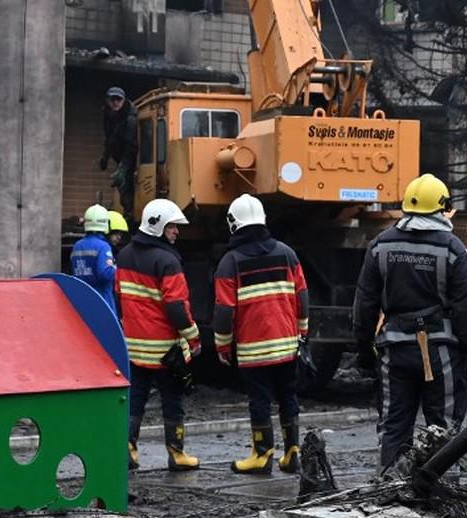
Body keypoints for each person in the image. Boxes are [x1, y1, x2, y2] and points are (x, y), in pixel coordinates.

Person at [351, 173, 467, 468]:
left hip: (394, 352)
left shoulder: (379, 246)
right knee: (443, 428)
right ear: (442, 207)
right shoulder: (452, 248)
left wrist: (363, 350)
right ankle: (439, 487)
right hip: (442, 353)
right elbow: (466, 307)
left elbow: (364, 304)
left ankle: (390, 484)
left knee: (394, 425)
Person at [212, 194, 310, 474]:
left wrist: (222, 345)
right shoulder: (287, 253)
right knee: (288, 395)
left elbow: (223, 311)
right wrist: (302, 330)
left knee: (260, 400)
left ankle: (262, 454)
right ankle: (292, 452)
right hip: (287, 345)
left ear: (233, 224)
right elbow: (302, 296)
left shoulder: (230, 262)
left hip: (254, 350)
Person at [115, 198, 202, 471]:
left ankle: (127, 449)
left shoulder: (124, 255)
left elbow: (119, 296)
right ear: (158, 227)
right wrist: (193, 337)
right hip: (166, 350)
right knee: (172, 400)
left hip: (134, 347)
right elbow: (177, 307)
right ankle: (177, 454)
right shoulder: (168, 261)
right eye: (172, 226)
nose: (176, 231)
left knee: (135, 399)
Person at [71, 204, 116, 312]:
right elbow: (105, 274)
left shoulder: (77, 246)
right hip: (101, 301)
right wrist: (116, 268)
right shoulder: (103, 246)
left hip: (81, 301)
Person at [101, 87, 138, 217]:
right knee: (120, 183)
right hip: (117, 153)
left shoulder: (130, 118)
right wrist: (105, 155)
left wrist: (123, 167)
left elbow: (131, 145)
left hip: (130, 156)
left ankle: (129, 214)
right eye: (113, 99)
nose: (115, 102)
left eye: (118, 99)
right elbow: (109, 137)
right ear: (108, 100)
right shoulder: (107, 114)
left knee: (125, 182)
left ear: (123, 100)